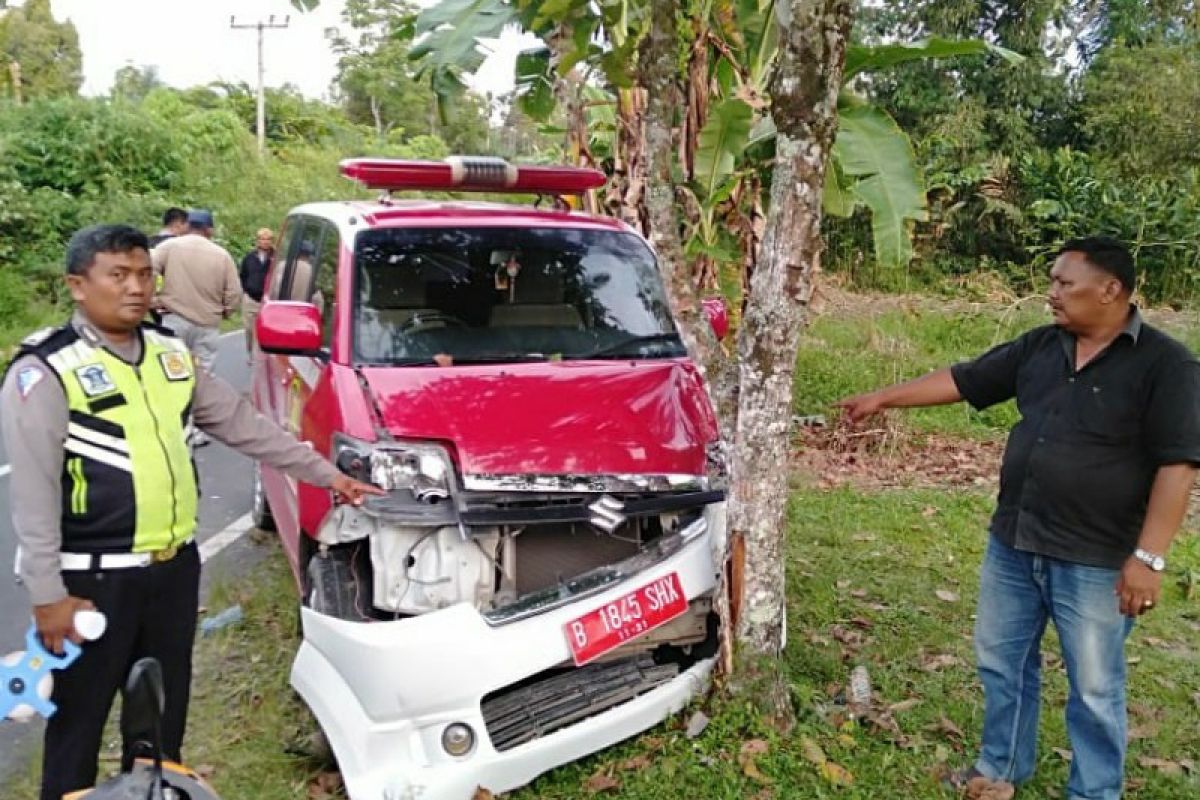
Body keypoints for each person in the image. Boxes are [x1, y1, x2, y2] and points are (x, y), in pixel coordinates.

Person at [0, 224, 383, 800]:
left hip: (173, 571)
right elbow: (31, 493)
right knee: (78, 722)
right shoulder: (47, 370)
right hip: (90, 580)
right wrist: (48, 595)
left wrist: (327, 475)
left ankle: (154, 789)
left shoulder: (169, 354)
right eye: (117, 275)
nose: (134, 288)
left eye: (143, 274)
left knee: (159, 712)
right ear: (78, 285)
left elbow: (243, 425)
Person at [837, 236, 1200, 800]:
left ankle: (1095, 792)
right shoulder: (1042, 347)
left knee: (1096, 686)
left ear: (1111, 290)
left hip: (1097, 557)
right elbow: (965, 380)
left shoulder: (1166, 365)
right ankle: (1000, 769)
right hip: (1016, 542)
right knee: (1003, 665)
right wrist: (882, 397)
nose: (1050, 293)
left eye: (1063, 283)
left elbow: (1178, 465)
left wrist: (1148, 558)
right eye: (1051, 281)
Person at [150, 209, 241, 378]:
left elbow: (148, 270)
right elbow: (234, 292)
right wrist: (226, 311)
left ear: (188, 225)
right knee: (204, 372)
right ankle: (199, 401)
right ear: (209, 230)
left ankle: (176, 402)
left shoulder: (169, 247)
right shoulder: (222, 255)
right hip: (207, 323)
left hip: (174, 317)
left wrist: (153, 300)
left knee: (171, 368)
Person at [238, 227, 274, 357]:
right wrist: (246, 290)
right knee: (249, 329)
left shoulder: (275, 258)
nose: (265, 242)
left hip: (267, 300)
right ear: (257, 241)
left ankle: (264, 356)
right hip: (251, 299)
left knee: (265, 330)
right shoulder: (249, 258)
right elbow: (243, 275)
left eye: (268, 239)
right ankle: (250, 353)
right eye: (262, 239)